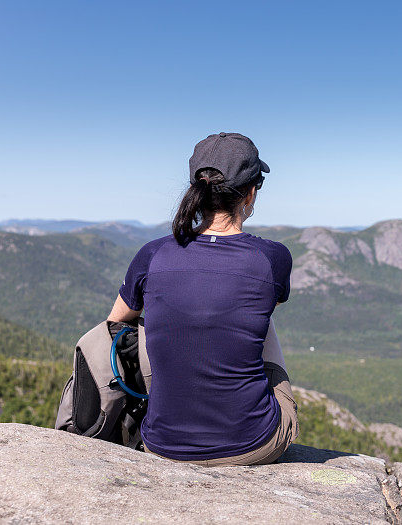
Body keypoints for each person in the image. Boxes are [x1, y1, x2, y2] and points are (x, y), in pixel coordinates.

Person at [107, 132, 298, 466]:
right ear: (249, 194)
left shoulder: (152, 253)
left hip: (162, 444)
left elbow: (114, 322)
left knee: (150, 317)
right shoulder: (272, 257)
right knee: (259, 316)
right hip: (252, 443)